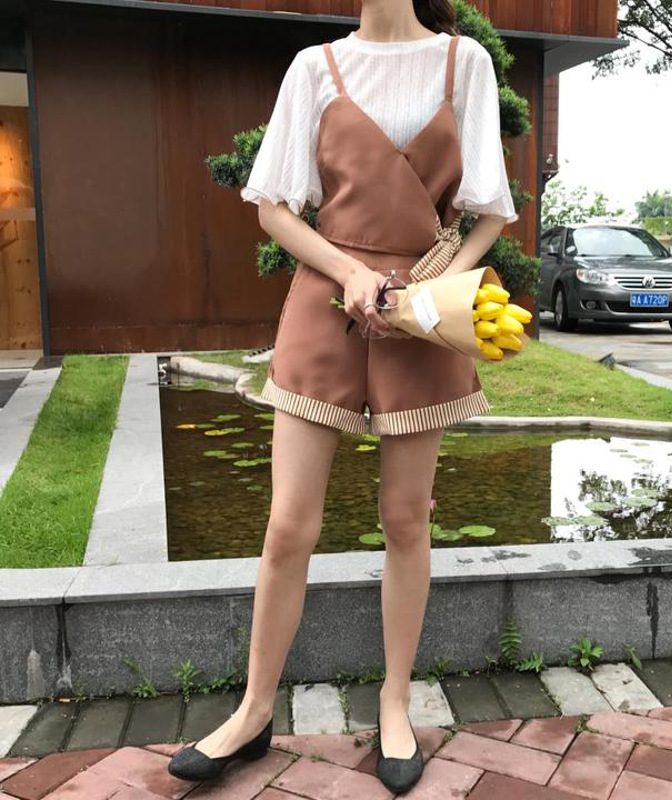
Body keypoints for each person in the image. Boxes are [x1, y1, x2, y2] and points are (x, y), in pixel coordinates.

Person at [168, 0, 517, 792]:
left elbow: (488, 213)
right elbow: (272, 209)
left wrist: (432, 287)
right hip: (323, 299)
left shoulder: (465, 64)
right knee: (289, 523)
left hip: (425, 309)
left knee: (406, 519)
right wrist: (351, 271)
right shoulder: (314, 68)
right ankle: (254, 711)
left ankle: (394, 703)